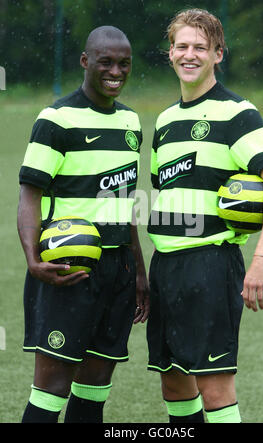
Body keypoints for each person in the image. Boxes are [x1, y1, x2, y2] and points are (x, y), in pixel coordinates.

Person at [146, 8, 263, 423]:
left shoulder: (237, 114)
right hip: (166, 266)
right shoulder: (165, 121)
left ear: (218, 54)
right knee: (173, 380)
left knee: (214, 386)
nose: (189, 54)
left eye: (200, 47)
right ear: (170, 52)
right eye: (181, 46)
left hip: (211, 263)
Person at [17, 25, 149, 423]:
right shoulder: (56, 119)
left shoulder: (130, 122)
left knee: (95, 389)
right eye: (106, 62)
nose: (116, 71)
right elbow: (29, 197)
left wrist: (138, 271)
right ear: (85, 61)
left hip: (118, 270)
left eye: (124, 64)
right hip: (68, 267)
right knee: (52, 389)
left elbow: (125, 204)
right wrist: (33, 259)